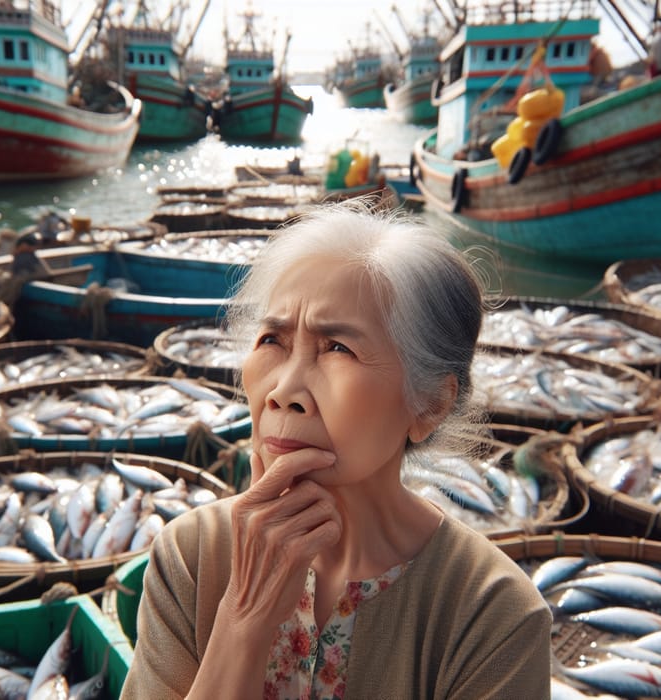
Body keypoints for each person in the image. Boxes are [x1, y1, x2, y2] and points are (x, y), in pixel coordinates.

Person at [120, 201, 553, 699]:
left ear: (430, 404)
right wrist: (244, 618)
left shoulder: (491, 614)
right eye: (271, 340)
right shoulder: (193, 554)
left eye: (337, 349)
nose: (284, 390)